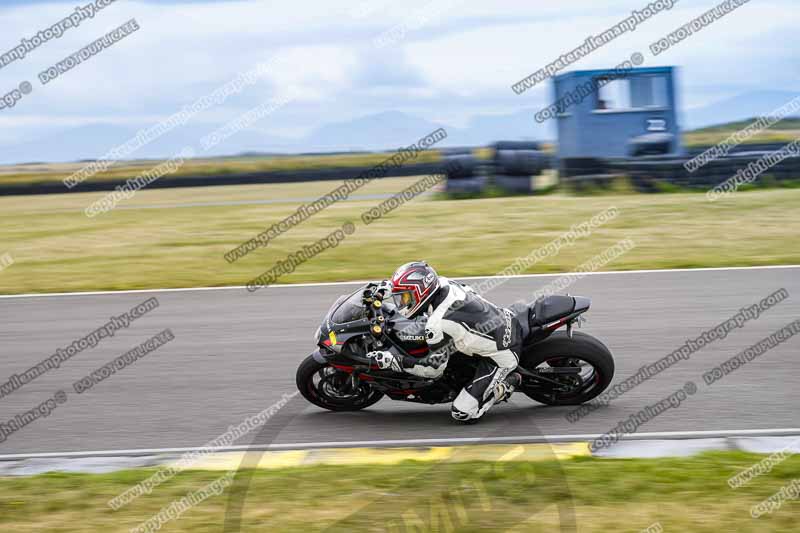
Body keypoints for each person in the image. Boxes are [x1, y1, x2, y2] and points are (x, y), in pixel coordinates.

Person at [366, 261, 524, 422]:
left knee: (462, 412)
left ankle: (508, 384)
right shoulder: (443, 283)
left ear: (420, 293)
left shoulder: (437, 324)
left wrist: (393, 361)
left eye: (405, 297)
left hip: (504, 352)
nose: (402, 302)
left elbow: (432, 370)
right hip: (504, 317)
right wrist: (386, 289)